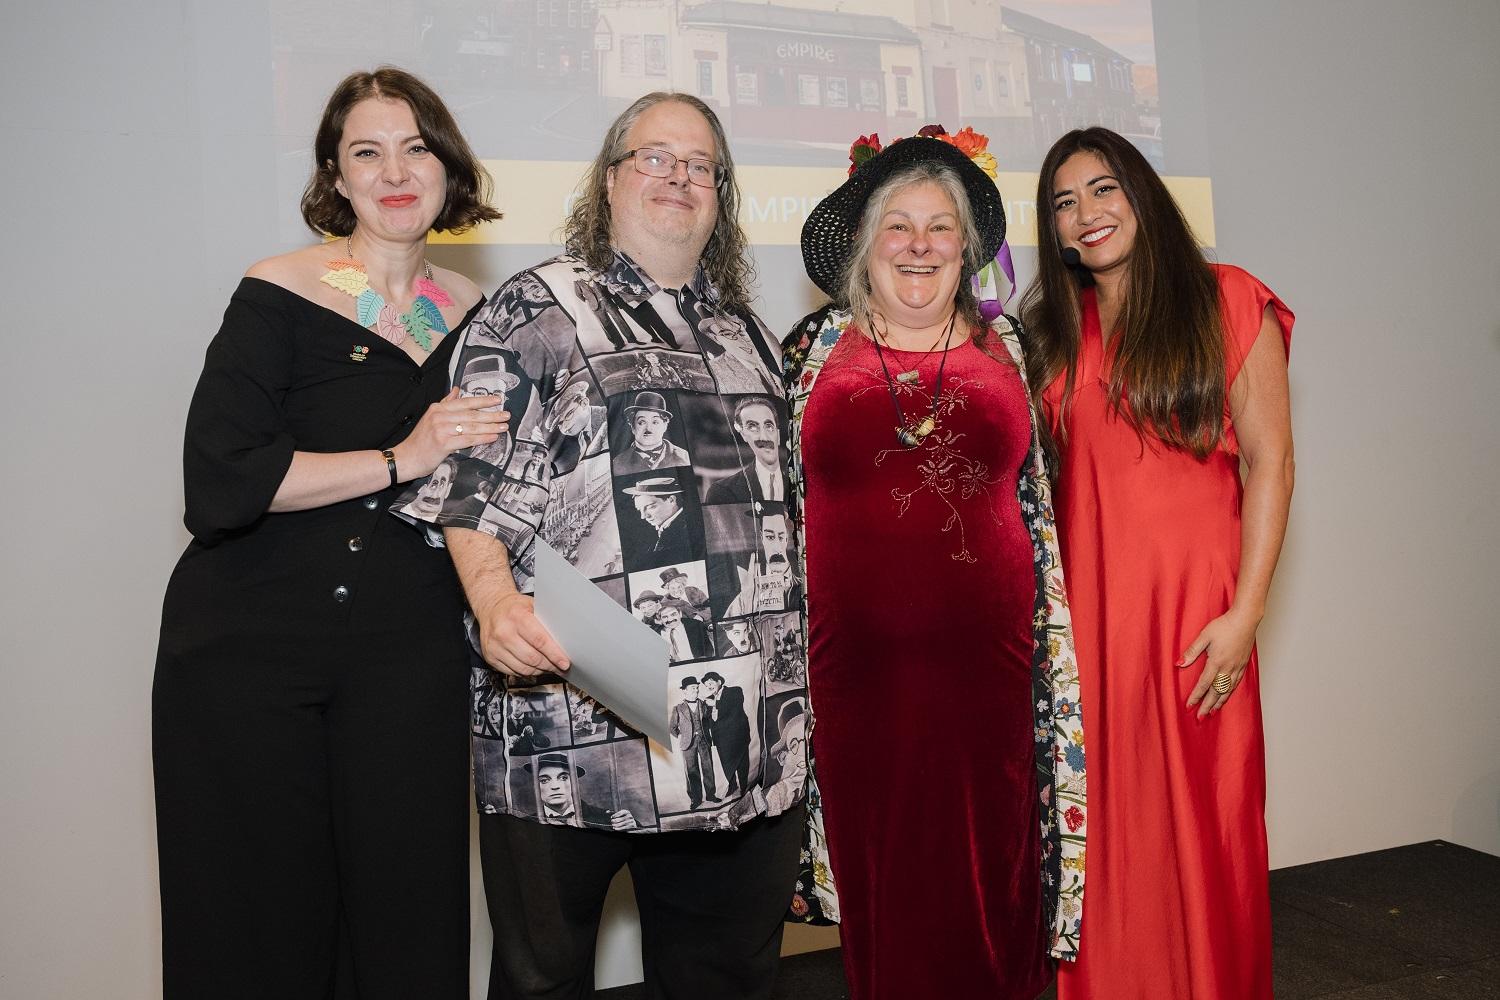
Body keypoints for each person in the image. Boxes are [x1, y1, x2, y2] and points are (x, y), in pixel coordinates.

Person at [394, 91, 808, 1000]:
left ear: (722, 196)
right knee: (543, 981)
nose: (679, 178)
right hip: (568, 727)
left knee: (727, 980)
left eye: (701, 166)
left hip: (732, 740)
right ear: (610, 180)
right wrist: (495, 600)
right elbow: (470, 482)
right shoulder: (533, 309)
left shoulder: (752, 338)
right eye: (656, 158)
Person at [151, 66, 504, 998]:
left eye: (416, 147)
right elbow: (220, 481)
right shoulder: (279, 289)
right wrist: (403, 455)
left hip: (407, 654)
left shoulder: (476, 313)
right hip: (249, 650)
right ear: (336, 179)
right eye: (367, 152)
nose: (395, 170)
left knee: (409, 914)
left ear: (447, 168)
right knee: (255, 919)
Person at [781, 126, 1087, 999]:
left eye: (940, 226)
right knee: (885, 883)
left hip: (993, 676)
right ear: (866, 247)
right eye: (898, 226)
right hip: (852, 681)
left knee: (996, 879)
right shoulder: (807, 352)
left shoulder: (1014, 351)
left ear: (966, 249)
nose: (919, 245)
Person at [1022, 127, 1294, 1000]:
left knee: (1209, 833)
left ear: (1141, 193)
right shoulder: (1050, 336)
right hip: (1092, 627)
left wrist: (1246, 615)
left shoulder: (1228, 299)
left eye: (1103, 189)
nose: (1086, 214)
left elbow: (1272, 462)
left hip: (1198, 619)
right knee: (1104, 840)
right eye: (1065, 202)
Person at [704, 395, 786, 504]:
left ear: (778, 434)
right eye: (752, 427)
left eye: (769, 426)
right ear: (744, 435)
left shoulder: (801, 484)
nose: (764, 437)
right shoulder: (722, 492)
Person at [528, 753, 639, 831]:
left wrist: (634, 828)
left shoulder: (608, 819)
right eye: (544, 780)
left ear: (575, 782)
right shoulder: (526, 824)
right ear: (535, 786)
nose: (555, 786)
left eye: (563, 778)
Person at [668, 676, 719, 808]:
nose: (696, 690)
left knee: (708, 768)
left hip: (704, 741)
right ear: (684, 691)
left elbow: (709, 720)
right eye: (692, 688)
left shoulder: (703, 704)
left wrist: (714, 707)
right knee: (692, 771)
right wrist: (680, 735)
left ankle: (711, 795)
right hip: (687, 744)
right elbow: (672, 727)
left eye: (697, 688)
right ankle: (695, 799)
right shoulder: (678, 708)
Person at [701, 671, 751, 797]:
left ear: (719, 681)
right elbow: (706, 719)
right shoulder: (709, 700)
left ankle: (744, 787)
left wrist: (716, 704)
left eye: (711, 682)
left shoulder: (734, 691)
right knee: (727, 764)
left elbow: (736, 705)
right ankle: (732, 785)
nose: (709, 686)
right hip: (721, 739)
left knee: (742, 763)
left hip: (738, 736)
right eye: (707, 685)